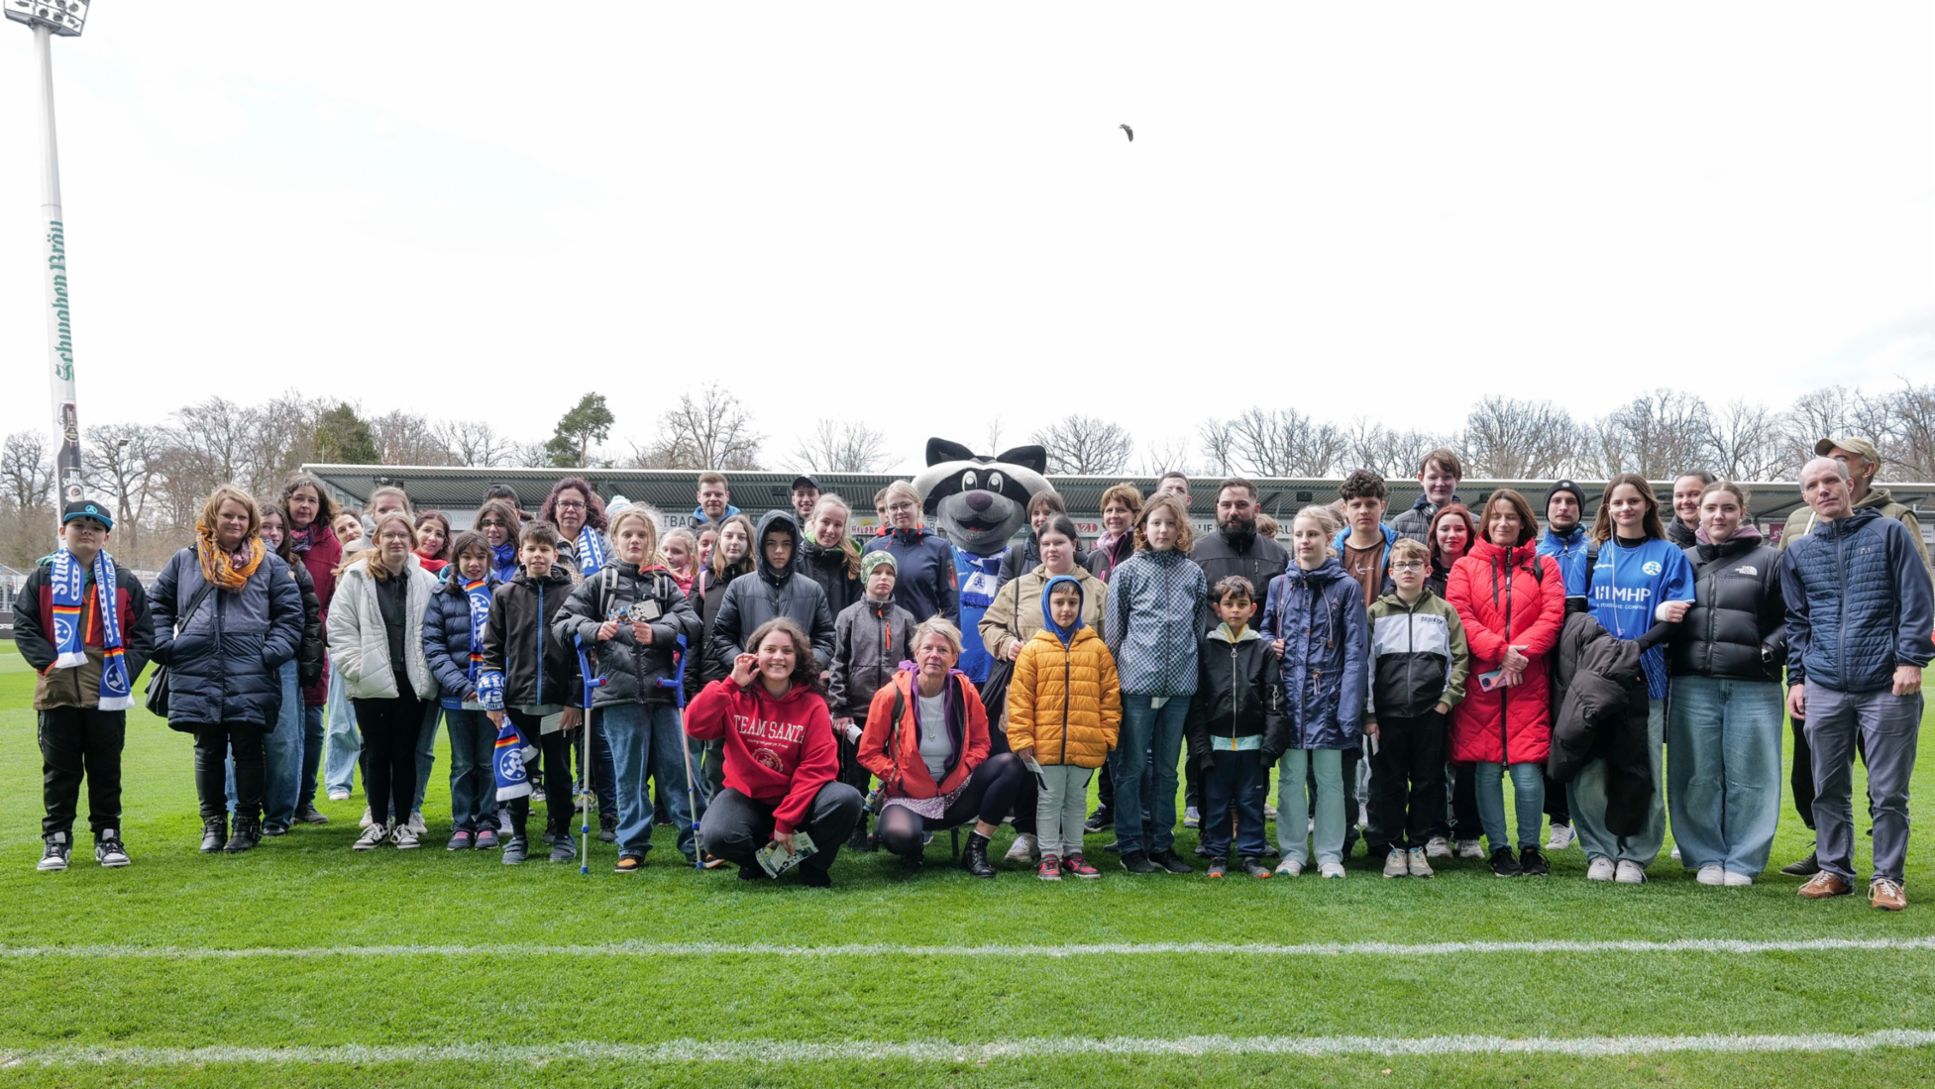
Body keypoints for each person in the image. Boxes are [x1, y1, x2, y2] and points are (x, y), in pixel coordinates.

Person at [1777, 434, 1934, 877]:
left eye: (1831, 481)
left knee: (1888, 792)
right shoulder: (1800, 551)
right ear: (1805, 497)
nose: (1823, 490)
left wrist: (1910, 660)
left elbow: (1917, 599)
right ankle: (1833, 870)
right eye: (1813, 486)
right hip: (1825, 684)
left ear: (1849, 485)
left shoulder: (1889, 532)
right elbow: (1797, 621)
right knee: (1827, 788)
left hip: (1886, 683)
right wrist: (1797, 680)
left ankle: (1888, 877)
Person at [151, 485, 304, 855]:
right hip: (197, 666)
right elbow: (156, 604)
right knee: (207, 749)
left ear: (251, 521)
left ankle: (247, 822)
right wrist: (165, 646)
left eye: (242, 517)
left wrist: (271, 653)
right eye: (228, 515)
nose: (235, 522)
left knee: (249, 748)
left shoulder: (269, 563)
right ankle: (213, 824)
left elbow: (290, 615)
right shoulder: (185, 560)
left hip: (250, 667)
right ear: (213, 517)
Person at [555, 507, 703, 871]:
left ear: (651, 540)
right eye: (628, 535)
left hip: (663, 691)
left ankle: (697, 843)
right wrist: (593, 630)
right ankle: (632, 845)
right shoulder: (598, 583)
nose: (635, 540)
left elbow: (691, 621)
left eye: (642, 535)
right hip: (617, 693)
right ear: (615, 540)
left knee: (679, 769)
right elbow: (562, 623)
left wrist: (660, 632)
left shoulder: (664, 584)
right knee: (628, 773)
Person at [16, 499, 153, 871]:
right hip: (57, 692)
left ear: (106, 536)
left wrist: (122, 671)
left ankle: (108, 837)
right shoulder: (42, 577)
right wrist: (50, 664)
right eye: (79, 525)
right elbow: (25, 625)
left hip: (107, 693)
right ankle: (56, 841)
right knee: (59, 772)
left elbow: (144, 633)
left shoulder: (124, 580)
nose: (87, 532)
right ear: (64, 531)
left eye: (96, 527)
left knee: (106, 770)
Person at [1666, 480, 1787, 887]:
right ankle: (1704, 856)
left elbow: (1793, 617)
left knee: (1753, 775)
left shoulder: (1770, 559)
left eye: (1728, 508)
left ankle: (1743, 860)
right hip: (1692, 684)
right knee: (1695, 775)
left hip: (1754, 685)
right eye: (1711, 508)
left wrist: (1768, 650)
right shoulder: (1681, 560)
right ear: (1698, 513)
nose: (1719, 516)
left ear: (1742, 512)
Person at [1575, 473, 1694, 884]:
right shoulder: (1593, 553)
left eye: (1633, 501)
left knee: (1643, 769)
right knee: (1591, 769)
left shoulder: (1669, 554)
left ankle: (1635, 855)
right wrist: (1606, 650)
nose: (1625, 508)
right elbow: (1575, 612)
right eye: (1617, 502)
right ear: (1607, 508)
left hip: (1648, 675)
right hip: (1596, 674)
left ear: (1647, 505)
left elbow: (1676, 615)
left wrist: (1637, 646)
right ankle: (1599, 850)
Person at [686, 618, 865, 887]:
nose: (778, 657)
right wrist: (730, 684)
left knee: (847, 800)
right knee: (716, 835)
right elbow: (694, 726)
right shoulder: (734, 695)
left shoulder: (813, 704)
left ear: (797, 658)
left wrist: (786, 820)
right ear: (754, 655)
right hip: (749, 798)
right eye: (770, 649)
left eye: (787, 651)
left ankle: (813, 865)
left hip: (800, 799)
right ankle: (756, 861)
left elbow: (817, 768)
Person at [1446, 489, 1566, 878]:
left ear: (1523, 522)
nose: (1502, 523)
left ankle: (1531, 848)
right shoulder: (1465, 567)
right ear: (1486, 523)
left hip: (1528, 682)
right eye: (1496, 516)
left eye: (1510, 516)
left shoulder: (1545, 565)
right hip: (1482, 685)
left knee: (1527, 772)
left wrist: (1519, 655)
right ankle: (1499, 849)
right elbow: (1461, 615)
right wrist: (1500, 652)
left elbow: (1553, 615)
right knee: (1486, 771)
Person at [855, 618, 1026, 877]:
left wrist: (964, 770)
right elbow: (868, 752)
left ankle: (976, 847)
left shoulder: (965, 692)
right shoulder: (890, 695)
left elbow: (981, 743)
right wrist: (898, 777)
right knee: (899, 837)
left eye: (943, 650)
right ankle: (912, 844)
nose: (934, 655)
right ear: (916, 653)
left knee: (1010, 765)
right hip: (907, 796)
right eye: (928, 648)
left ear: (954, 658)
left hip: (955, 795)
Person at [1261, 506, 1370, 880]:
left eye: (1312, 534)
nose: (1304, 541)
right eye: (1298, 535)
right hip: (1288, 701)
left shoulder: (1347, 588)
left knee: (1331, 782)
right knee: (1290, 779)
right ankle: (1292, 853)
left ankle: (1329, 854)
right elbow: (1265, 630)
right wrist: (1269, 643)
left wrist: (1349, 707)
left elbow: (1356, 651)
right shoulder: (1279, 585)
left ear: (1328, 539)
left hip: (1330, 700)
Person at [1104, 494, 1209, 875]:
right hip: (1136, 686)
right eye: (1156, 523)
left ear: (1181, 529)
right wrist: (1116, 681)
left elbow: (1198, 630)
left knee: (1167, 771)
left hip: (1179, 688)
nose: (1163, 530)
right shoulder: (1127, 572)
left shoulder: (1193, 574)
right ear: (1143, 528)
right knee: (1131, 768)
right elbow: (1114, 632)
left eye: (1170, 523)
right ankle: (1131, 845)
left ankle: (1162, 844)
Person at [328, 512, 439, 850]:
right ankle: (378, 822)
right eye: (389, 535)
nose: (396, 541)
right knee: (376, 753)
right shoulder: (355, 578)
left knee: (405, 753)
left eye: (402, 535)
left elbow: (434, 629)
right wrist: (358, 668)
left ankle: (403, 823)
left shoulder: (426, 581)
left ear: (412, 541)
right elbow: (340, 627)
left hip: (411, 682)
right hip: (370, 681)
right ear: (377, 540)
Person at [479, 521, 584, 865]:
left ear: (555, 554)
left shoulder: (572, 595)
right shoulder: (504, 596)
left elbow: (581, 654)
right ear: (520, 554)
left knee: (558, 771)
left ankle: (562, 833)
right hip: (516, 703)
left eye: (544, 549)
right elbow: (491, 651)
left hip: (558, 704)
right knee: (518, 770)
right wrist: (494, 702)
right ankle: (519, 836)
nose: (538, 555)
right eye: (531, 549)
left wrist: (574, 701)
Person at [1189, 478, 1289, 834]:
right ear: (1216, 509)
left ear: (1255, 509)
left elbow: (1281, 610)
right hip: (1211, 666)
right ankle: (1210, 829)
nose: (1233, 511)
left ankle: (1250, 831)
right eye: (1226, 505)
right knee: (1208, 751)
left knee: (1254, 751)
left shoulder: (1276, 554)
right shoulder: (1198, 552)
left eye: (1241, 505)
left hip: (1258, 667)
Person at [1364, 538, 1469, 879]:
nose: (1407, 570)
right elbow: (1366, 666)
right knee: (1389, 783)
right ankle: (1393, 846)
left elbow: (1459, 659)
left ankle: (1418, 846)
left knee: (1427, 782)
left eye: (1414, 564)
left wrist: (1446, 701)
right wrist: (1370, 713)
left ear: (1427, 570)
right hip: (1388, 716)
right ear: (1390, 572)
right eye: (1400, 564)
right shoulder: (1376, 613)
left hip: (1430, 715)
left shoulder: (1444, 611)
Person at [1008, 578, 1121, 881]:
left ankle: (1074, 853)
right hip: (1046, 744)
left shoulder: (1097, 649)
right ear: (1047, 605)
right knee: (1049, 799)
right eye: (1059, 602)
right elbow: (1020, 699)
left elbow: (1110, 696)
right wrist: (1022, 738)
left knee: (1076, 800)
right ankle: (1048, 855)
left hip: (1086, 741)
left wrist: (1107, 735)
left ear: (1081, 606)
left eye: (1073, 602)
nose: (1066, 609)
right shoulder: (1033, 650)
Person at [1182, 575, 1279, 880]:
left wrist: (1270, 745)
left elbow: (1275, 699)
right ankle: (1217, 854)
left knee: (1252, 801)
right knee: (1216, 802)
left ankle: (1251, 853)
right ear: (1217, 608)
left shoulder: (1262, 650)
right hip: (1216, 745)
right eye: (1229, 604)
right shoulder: (1205, 648)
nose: (1235, 610)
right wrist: (1200, 747)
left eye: (1241, 604)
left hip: (1253, 745)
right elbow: (1197, 702)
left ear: (1252, 609)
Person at [827, 551, 916, 850]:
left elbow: (913, 665)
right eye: (877, 572)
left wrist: (910, 705)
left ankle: (896, 824)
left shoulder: (905, 619)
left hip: (895, 712)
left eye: (889, 573)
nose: (883, 578)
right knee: (856, 773)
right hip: (858, 711)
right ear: (866, 577)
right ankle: (855, 827)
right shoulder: (848, 616)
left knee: (897, 770)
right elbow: (838, 663)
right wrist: (840, 706)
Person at [422, 531, 503, 851]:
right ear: (456, 560)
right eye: (467, 557)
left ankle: (488, 822)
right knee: (462, 763)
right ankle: (462, 824)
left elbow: (510, 643)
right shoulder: (442, 595)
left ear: (489, 560)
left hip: (492, 695)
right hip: (457, 696)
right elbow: (434, 646)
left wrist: (493, 684)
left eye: (480, 557)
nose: (473, 564)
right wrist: (462, 686)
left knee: (488, 761)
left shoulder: (501, 593)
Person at [253, 503, 325, 837]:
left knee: (284, 741)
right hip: (243, 660)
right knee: (240, 742)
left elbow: (310, 619)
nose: (273, 533)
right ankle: (242, 810)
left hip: (285, 662)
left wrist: (309, 664)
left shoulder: (295, 567)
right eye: (266, 527)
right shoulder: (234, 564)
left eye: (279, 528)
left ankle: (279, 815)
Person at [279, 473, 341, 824]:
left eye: (312, 500)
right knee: (281, 731)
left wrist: (320, 628)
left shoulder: (330, 545)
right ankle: (279, 803)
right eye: (299, 498)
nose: (305, 506)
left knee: (313, 726)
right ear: (287, 501)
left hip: (313, 647)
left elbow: (334, 598)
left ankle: (305, 800)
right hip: (277, 646)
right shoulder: (272, 535)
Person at [708, 510, 836, 678]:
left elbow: (826, 639)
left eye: (786, 544)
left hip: (798, 684)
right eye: (771, 543)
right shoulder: (739, 587)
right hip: (752, 683)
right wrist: (745, 666)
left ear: (794, 546)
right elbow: (722, 636)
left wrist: (807, 667)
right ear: (761, 545)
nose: (779, 550)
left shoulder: (812, 590)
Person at [1534, 479, 1590, 852]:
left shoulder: (1595, 549)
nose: (1564, 507)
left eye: (1571, 501)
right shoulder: (1536, 553)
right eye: (1557, 500)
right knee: (1550, 734)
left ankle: (1591, 818)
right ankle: (1559, 820)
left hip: (1586, 644)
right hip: (1547, 647)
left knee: (1585, 731)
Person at [877, 481, 957, 624]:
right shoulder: (874, 548)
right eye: (893, 507)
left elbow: (951, 603)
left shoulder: (940, 548)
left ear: (918, 506)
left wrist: (950, 634)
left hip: (924, 635)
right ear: (887, 512)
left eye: (905, 505)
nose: (899, 511)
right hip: (884, 634)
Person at [996, 491, 1088, 584]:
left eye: (1047, 513)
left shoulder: (1079, 557)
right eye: (1036, 513)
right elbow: (1003, 592)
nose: (1040, 518)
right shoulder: (1015, 556)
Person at [798, 494, 863, 622]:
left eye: (837, 525)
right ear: (814, 521)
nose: (830, 530)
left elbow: (857, 612)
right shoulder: (797, 560)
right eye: (825, 522)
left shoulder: (853, 564)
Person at [541, 476, 610, 579]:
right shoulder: (542, 542)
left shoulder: (604, 542)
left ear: (587, 510)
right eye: (564, 503)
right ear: (554, 510)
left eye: (577, 504)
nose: (570, 509)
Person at [1391, 448, 1464, 545]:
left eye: (1447, 477)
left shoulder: (1475, 525)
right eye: (1433, 477)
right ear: (1421, 478)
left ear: (1458, 478)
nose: (1440, 483)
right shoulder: (1399, 525)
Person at [1085, 483, 1144, 584]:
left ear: (1135, 515)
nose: (1113, 515)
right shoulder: (1093, 559)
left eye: (1121, 510)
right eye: (1109, 510)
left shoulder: (1143, 553)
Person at [1425, 503, 1475, 598]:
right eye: (1445, 529)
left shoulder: (1480, 571)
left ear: (1468, 533)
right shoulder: (1423, 573)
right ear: (1435, 534)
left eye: (1459, 529)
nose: (1452, 535)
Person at [474, 499, 522, 585]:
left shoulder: (524, 562)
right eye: (487, 523)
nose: (492, 529)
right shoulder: (469, 562)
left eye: (500, 524)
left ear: (511, 527)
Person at [1667, 471, 1716, 549]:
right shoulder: (1661, 545)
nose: (1685, 501)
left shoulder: (1732, 543)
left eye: (1694, 494)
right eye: (1679, 495)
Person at [661, 527, 700, 599]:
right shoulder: (649, 579)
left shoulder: (692, 589)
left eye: (676, 552)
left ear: (689, 558)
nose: (667, 556)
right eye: (665, 550)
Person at [413, 510, 451, 575]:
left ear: (443, 544)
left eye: (439, 534)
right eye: (427, 530)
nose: (432, 538)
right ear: (414, 532)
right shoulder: (399, 563)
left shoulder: (448, 574)